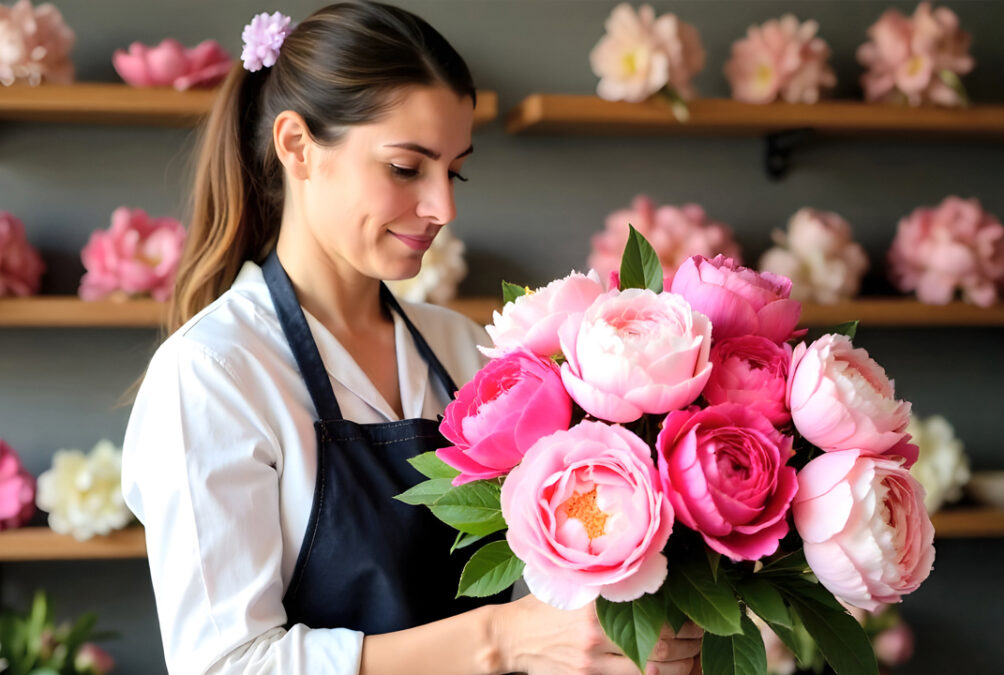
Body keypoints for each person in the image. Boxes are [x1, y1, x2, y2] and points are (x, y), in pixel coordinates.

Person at [121, 2, 703, 674]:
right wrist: (502, 638)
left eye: (454, 170)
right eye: (406, 167)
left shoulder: (460, 353)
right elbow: (224, 664)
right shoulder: (212, 373)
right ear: (297, 146)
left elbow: (542, 607)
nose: (443, 208)